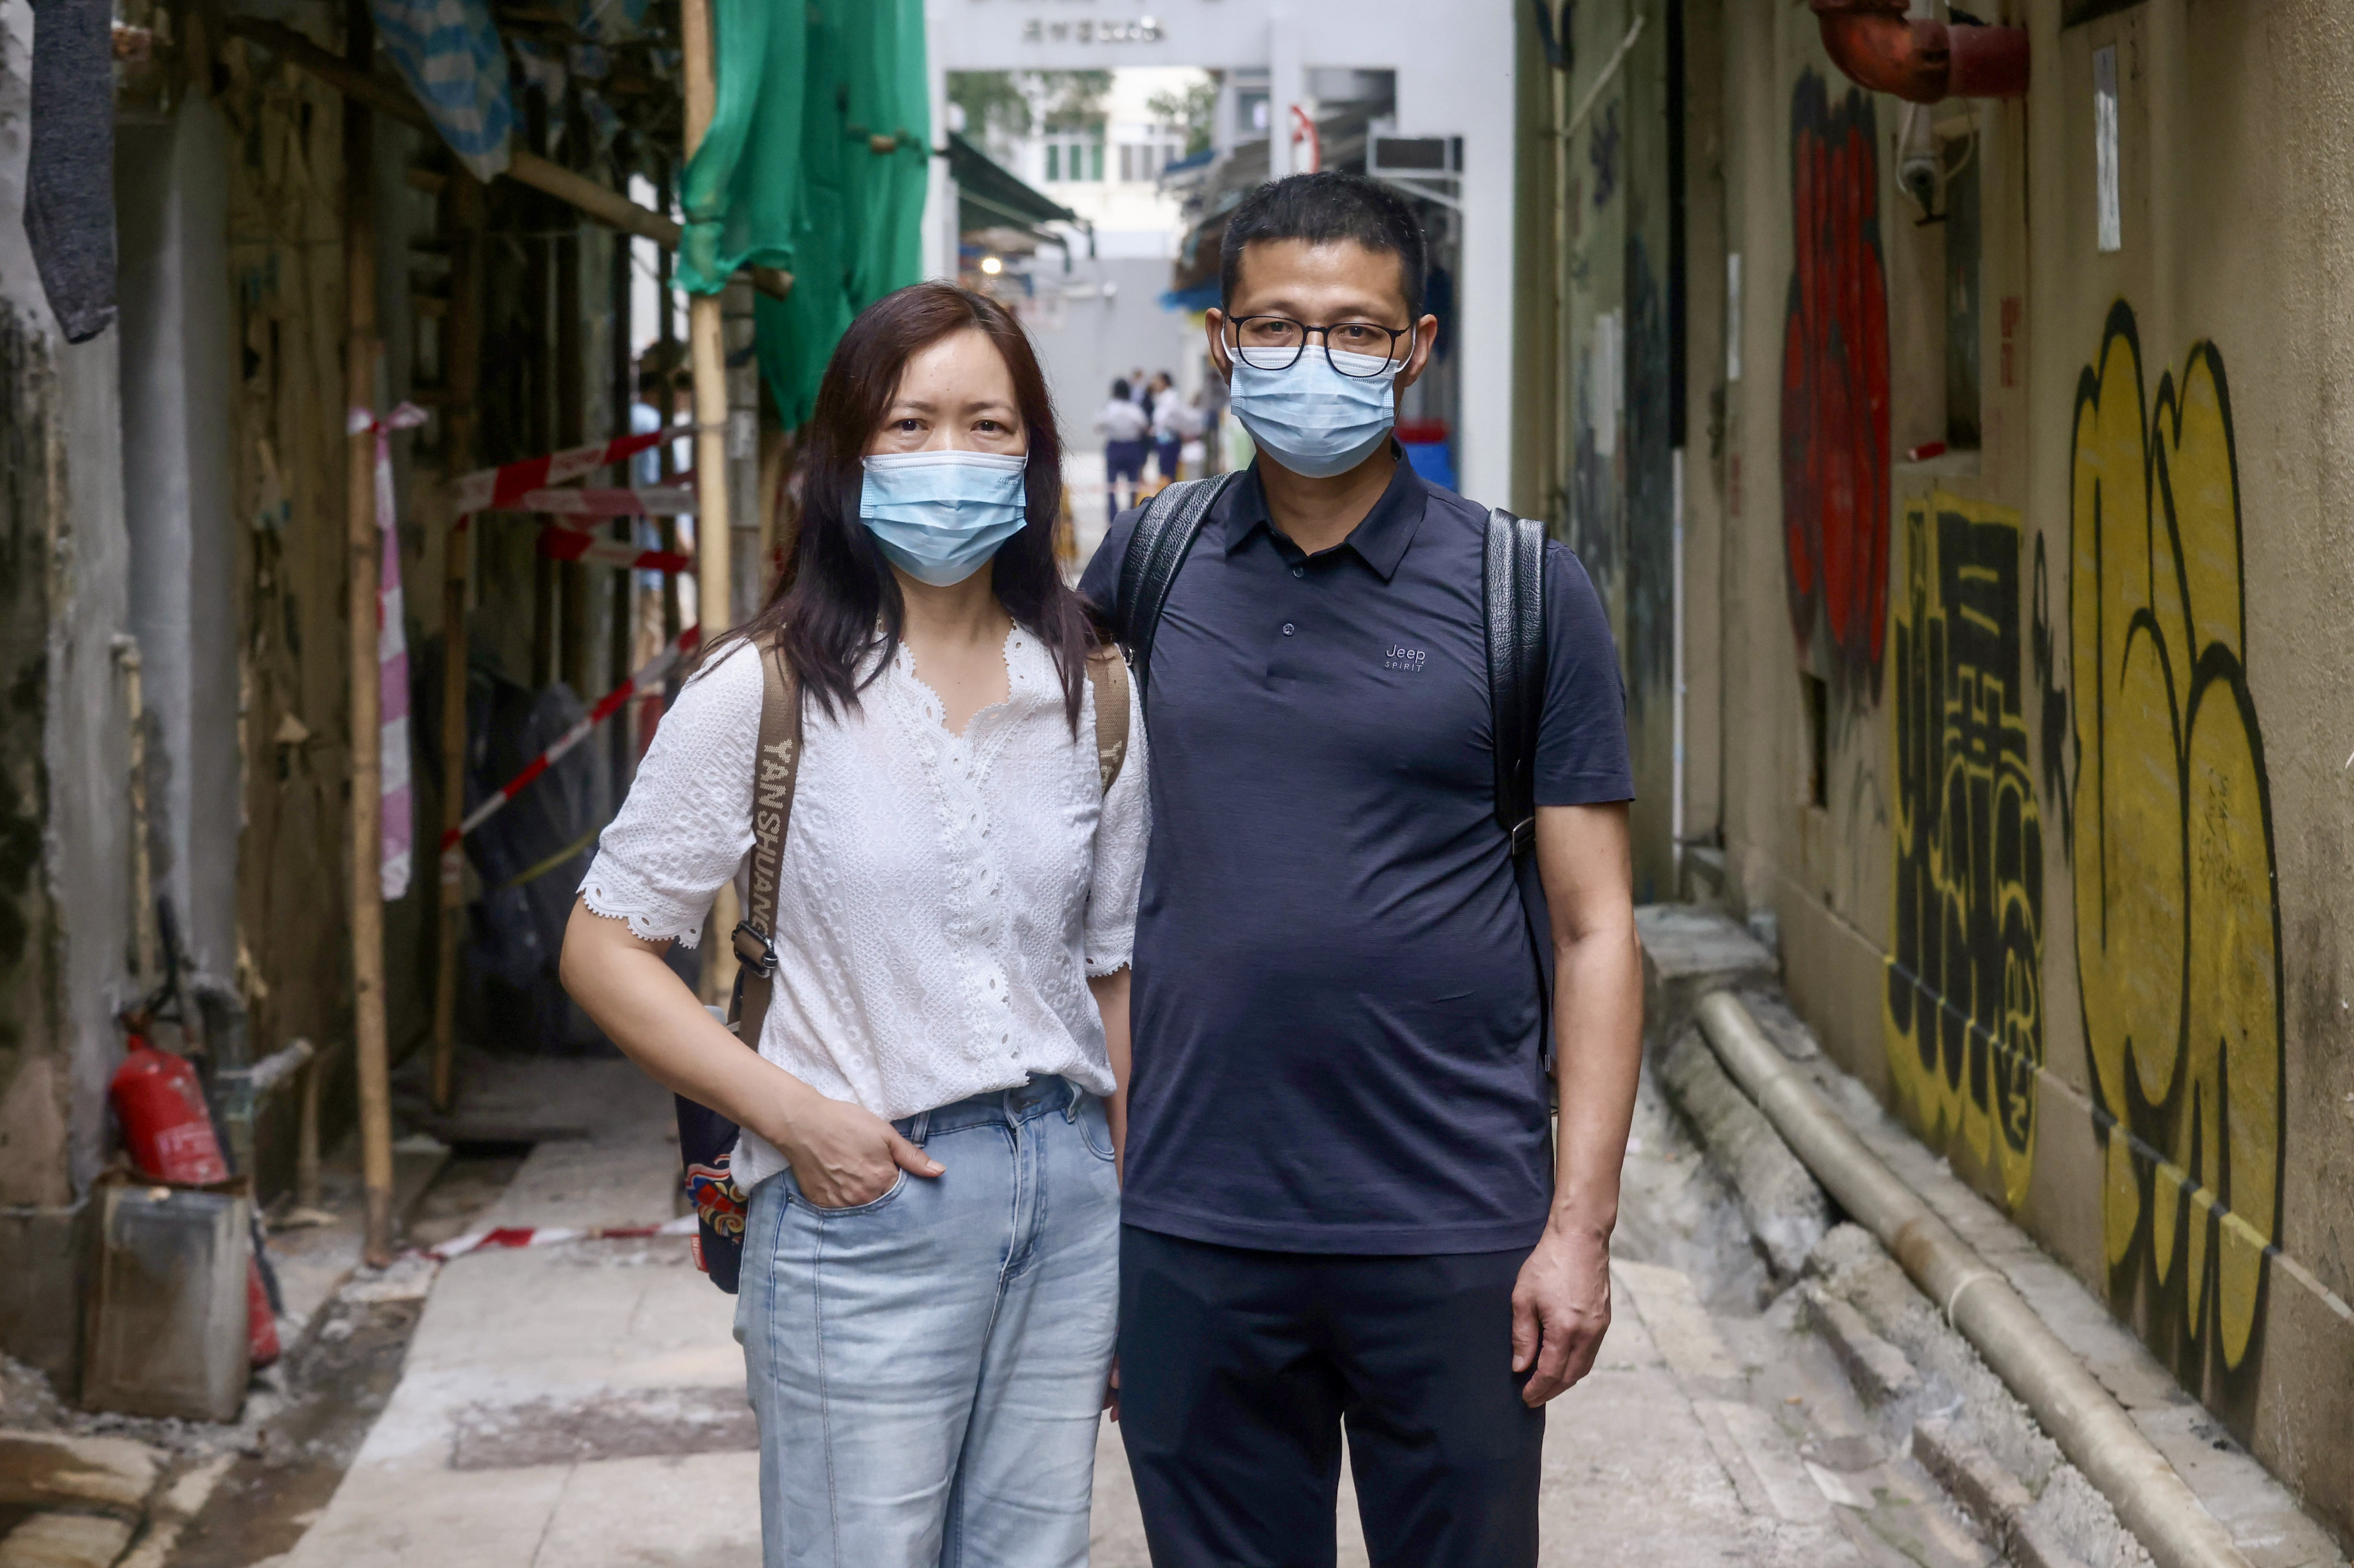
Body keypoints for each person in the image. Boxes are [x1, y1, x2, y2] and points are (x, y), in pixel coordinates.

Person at [1080, 171, 1642, 1566]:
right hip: (1194, 1220)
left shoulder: (1522, 589)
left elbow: (1596, 927)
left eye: (1354, 328)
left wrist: (1578, 1228)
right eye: (1276, 325)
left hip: (1453, 1226)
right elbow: (1051, 872)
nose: (1312, 358)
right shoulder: (1147, 566)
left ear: (1415, 346)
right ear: (1223, 341)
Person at [563, 281, 1145, 1568]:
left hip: (1067, 1210)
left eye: (989, 425)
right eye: (908, 424)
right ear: (845, 458)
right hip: (860, 1207)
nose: (952, 456)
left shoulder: (1094, 689)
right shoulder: (761, 690)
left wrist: (1131, 1216)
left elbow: (1109, 973)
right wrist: (792, 1117)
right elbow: (604, 946)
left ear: (1033, 456)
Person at [1095, 376, 1151, 524]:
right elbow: (1145, 427)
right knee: (1133, 486)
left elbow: (1097, 426)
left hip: (1114, 447)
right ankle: (1133, 517)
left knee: (1111, 486)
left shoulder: (1109, 408)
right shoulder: (1134, 409)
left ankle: (1112, 519)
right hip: (1132, 447)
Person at [1146, 370, 1194, 482]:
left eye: (1157, 381)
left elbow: (1174, 418)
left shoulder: (1171, 398)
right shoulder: (1160, 398)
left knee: (1168, 472)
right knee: (1163, 471)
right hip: (1162, 438)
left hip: (1169, 438)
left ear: (1164, 382)